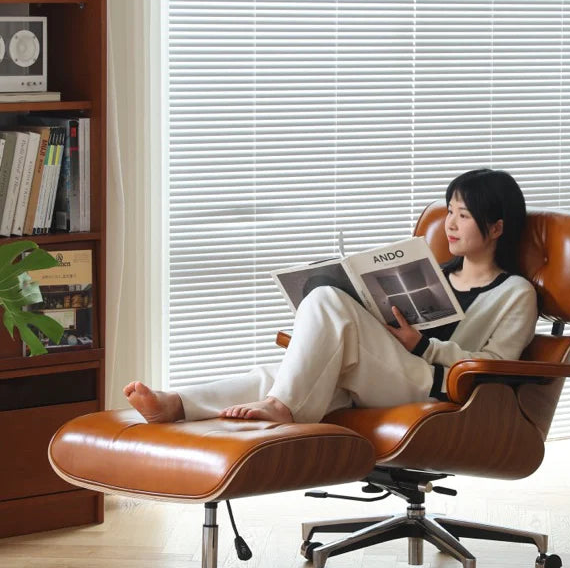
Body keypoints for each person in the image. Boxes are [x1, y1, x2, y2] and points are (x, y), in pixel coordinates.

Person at [124, 168, 539, 426]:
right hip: (390, 372)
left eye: (463, 216)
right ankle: (176, 405)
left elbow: (496, 367)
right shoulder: (438, 272)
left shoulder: (515, 293)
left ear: (497, 228)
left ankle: (281, 407)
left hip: (433, 386)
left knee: (323, 302)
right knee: (287, 372)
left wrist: (426, 346)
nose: (449, 224)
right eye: (449, 211)